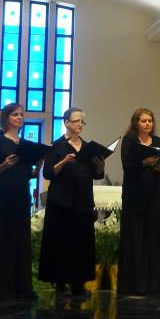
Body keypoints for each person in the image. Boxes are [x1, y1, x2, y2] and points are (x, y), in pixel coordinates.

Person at [0, 103, 48, 301]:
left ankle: (20, 287)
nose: (19, 117)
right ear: (6, 118)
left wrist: (38, 167)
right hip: (4, 195)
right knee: (2, 238)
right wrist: (4, 165)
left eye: (21, 114)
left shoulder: (25, 144)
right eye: (15, 114)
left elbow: (28, 174)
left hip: (21, 194)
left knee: (20, 239)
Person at [38, 107, 105, 296]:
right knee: (61, 241)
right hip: (61, 201)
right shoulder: (57, 146)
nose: (80, 124)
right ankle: (60, 281)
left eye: (82, 122)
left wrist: (100, 166)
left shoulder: (88, 147)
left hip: (83, 200)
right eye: (76, 121)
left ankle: (79, 282)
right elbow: (48, 173)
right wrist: (64, 161)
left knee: (81, 242)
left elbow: (97, 175)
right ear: (66, 122)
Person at [117, 107, 160, 295]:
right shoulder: (129, 141)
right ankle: (134, 285)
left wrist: (159, 167)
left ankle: (153, 285)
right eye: (144, 121)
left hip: (153, 195)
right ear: (136, 123)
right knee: (134, 237)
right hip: (134, 195)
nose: (148, 124)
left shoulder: (158, 142)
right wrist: (143, 163)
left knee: (153, 237)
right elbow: (127, 167)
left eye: (150, 121)